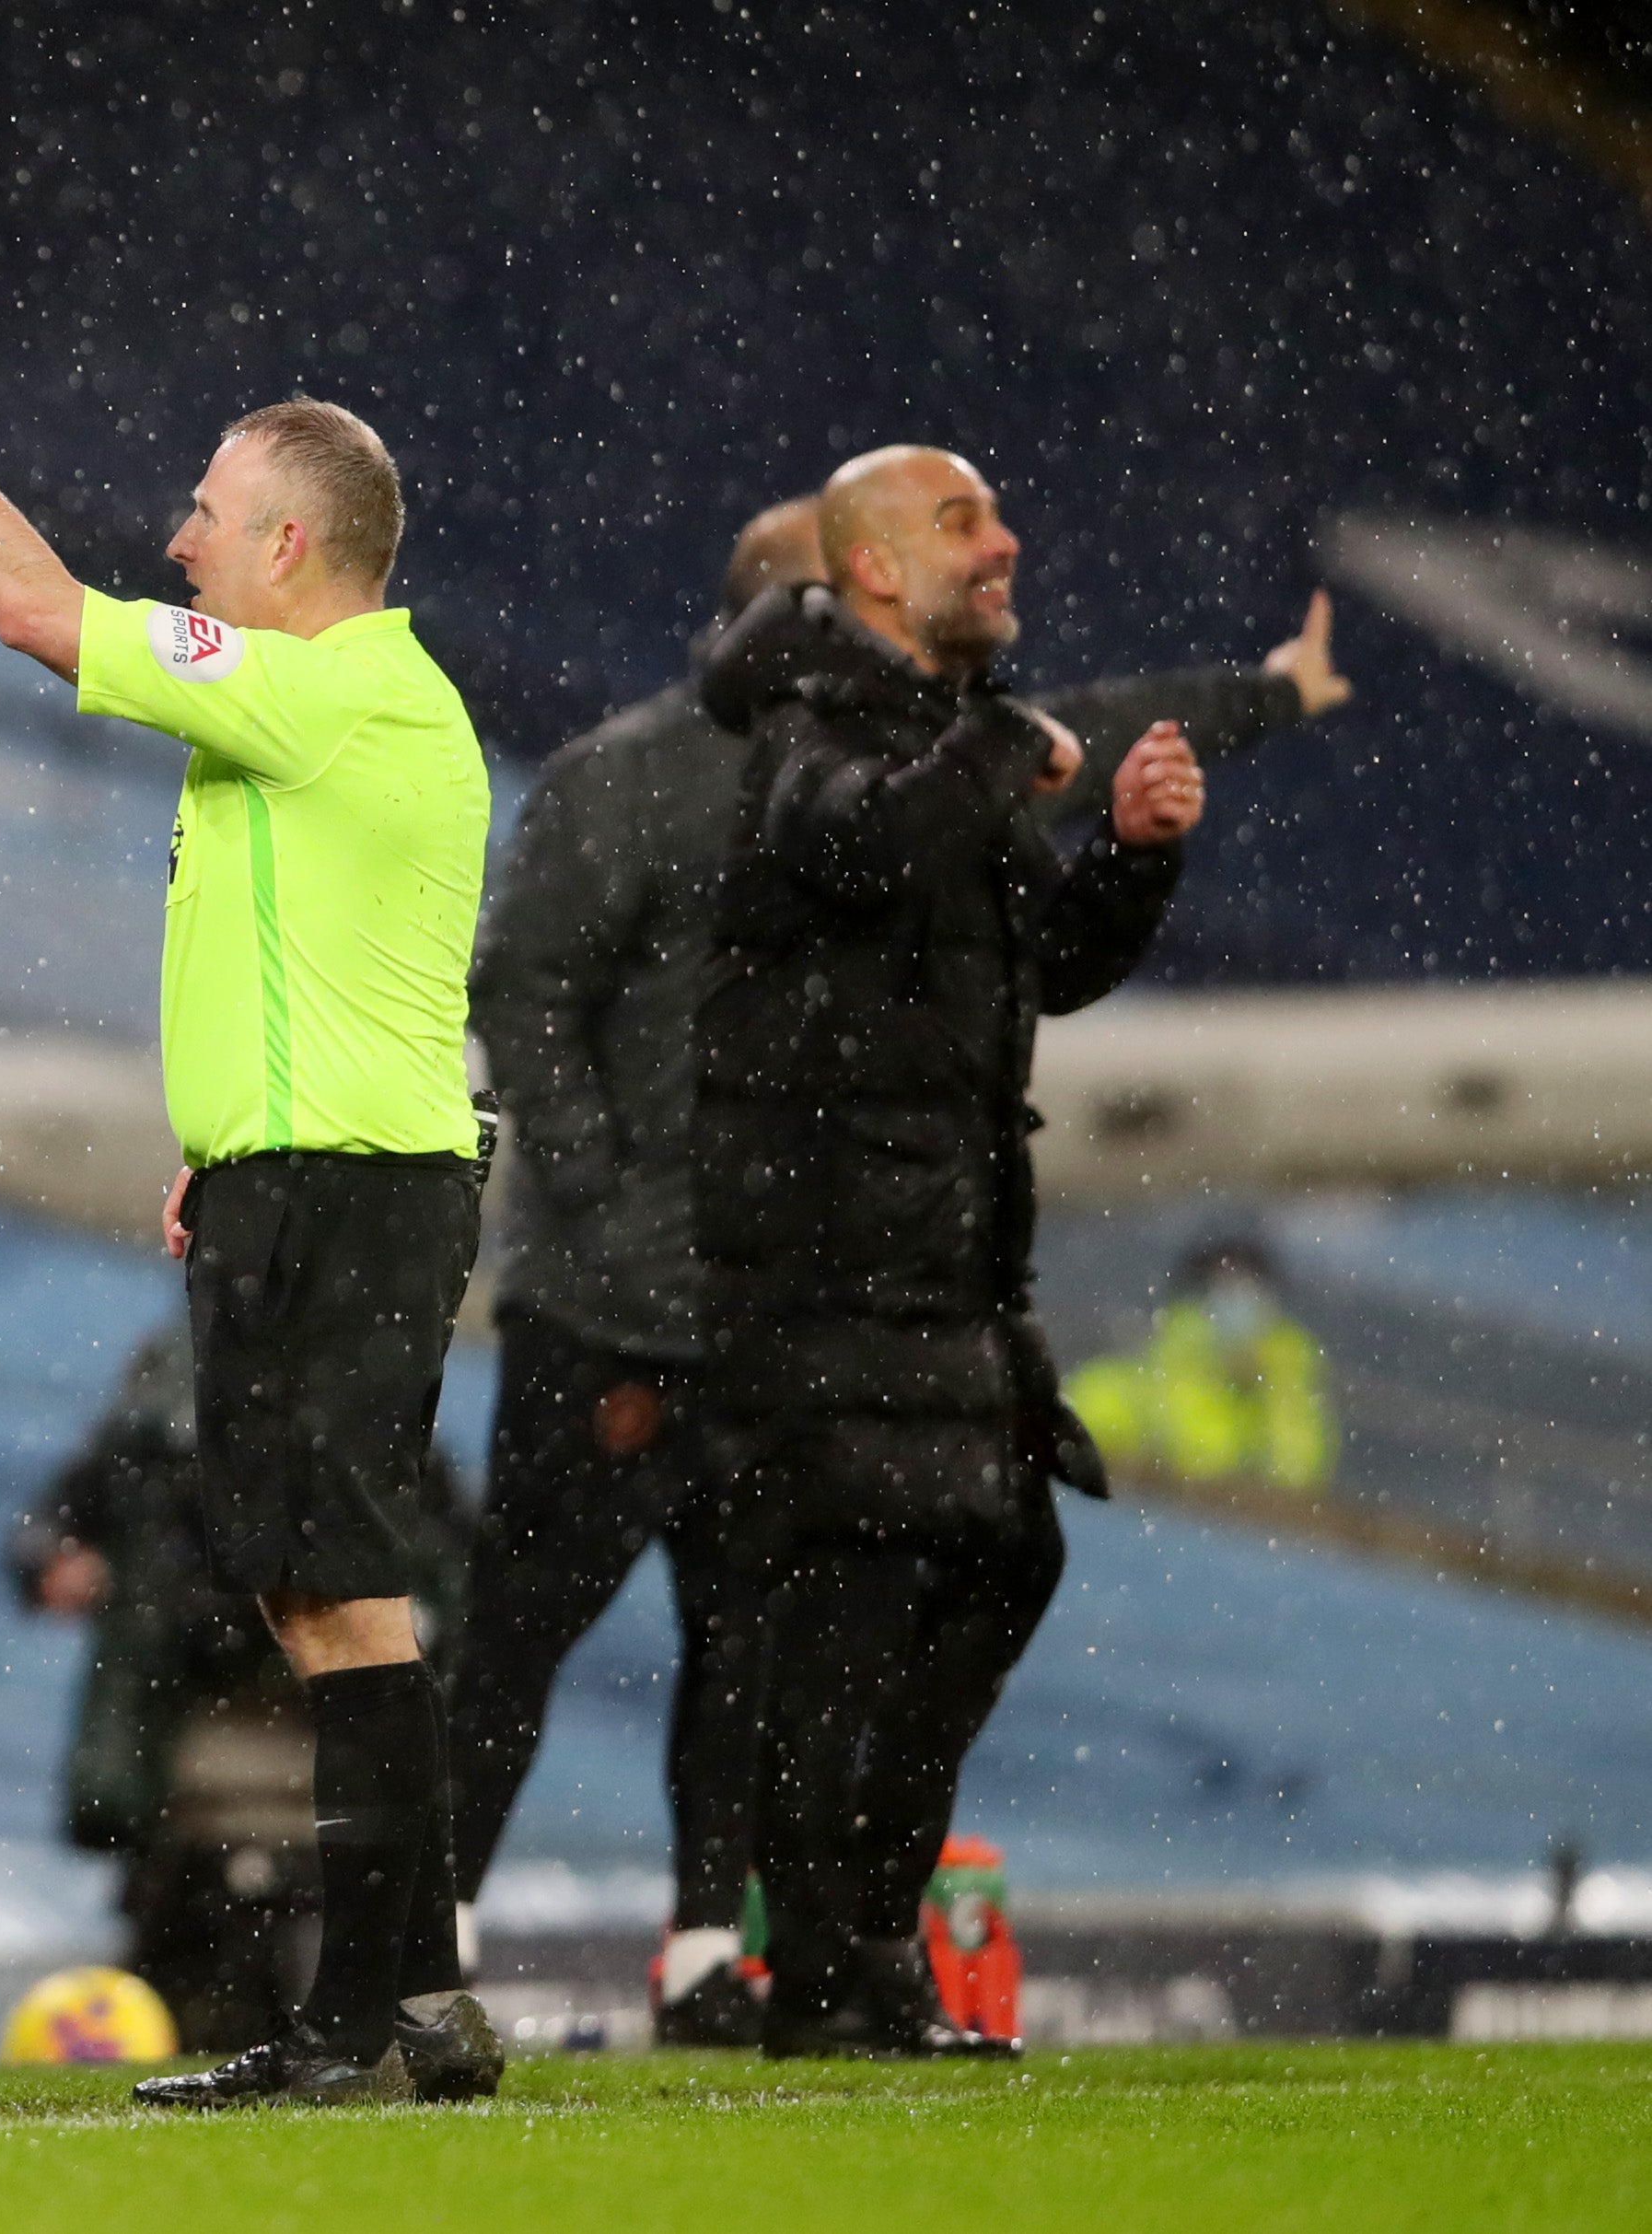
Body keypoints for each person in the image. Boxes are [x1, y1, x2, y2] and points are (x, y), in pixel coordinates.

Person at [451, 498, 1349, 2046]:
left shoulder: (871, 766)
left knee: (744, 1643)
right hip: (615, 1309)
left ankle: (703, 1959)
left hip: (762, 1301)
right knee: (539, 1628)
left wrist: (1259, 700)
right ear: (802, 613)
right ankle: (441, 1939)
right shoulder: (671, 778)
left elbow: (1070, 746)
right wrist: (617, 1213)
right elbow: (522, 1001)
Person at [0, 271, 502, 2110]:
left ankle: (378, 2014)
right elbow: (313, 962)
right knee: (308, 1587)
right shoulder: (333, 715)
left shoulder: (328, 693)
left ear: (289, 543)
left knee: (341, 1590)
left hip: (352, 1194)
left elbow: (34, 612)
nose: (179, 541)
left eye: (206, 515)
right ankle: (408, 2000)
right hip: (306, 1183)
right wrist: (229, 1151)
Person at [694, 445, 1205, 2058]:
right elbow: (841, 844)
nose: (1002, 543)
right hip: (827, 1258)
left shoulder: (935, 736)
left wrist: (1126, 856)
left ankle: (853, 1950)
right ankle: (833, 1976)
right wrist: (998, 749)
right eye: (961, 524)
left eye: (993, 513)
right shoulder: (804, 720)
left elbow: (1040, 967)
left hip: (944, 1266)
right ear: (867, 572)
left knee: (994, 1560)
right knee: (849, 1604)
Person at [10, 1321, 471, 2054]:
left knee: (316, 1963)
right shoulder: (169, 1400)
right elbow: (58, 1521)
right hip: (194, 1747)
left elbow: (450, 1557)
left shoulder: (359, 1397)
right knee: (190, 1977)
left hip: (309, 1742)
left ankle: (334, 2044)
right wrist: (54, 1559)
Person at [1067, 1232, 1335, 1493]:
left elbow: (1301, 1473)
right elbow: (1192, 1454)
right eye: (1226, 1290)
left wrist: (1277, 1386)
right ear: (1197, 1302)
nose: (1240, 1305)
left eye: (1251, 1291)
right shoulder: (1146, 1376)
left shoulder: (1289, 1373)